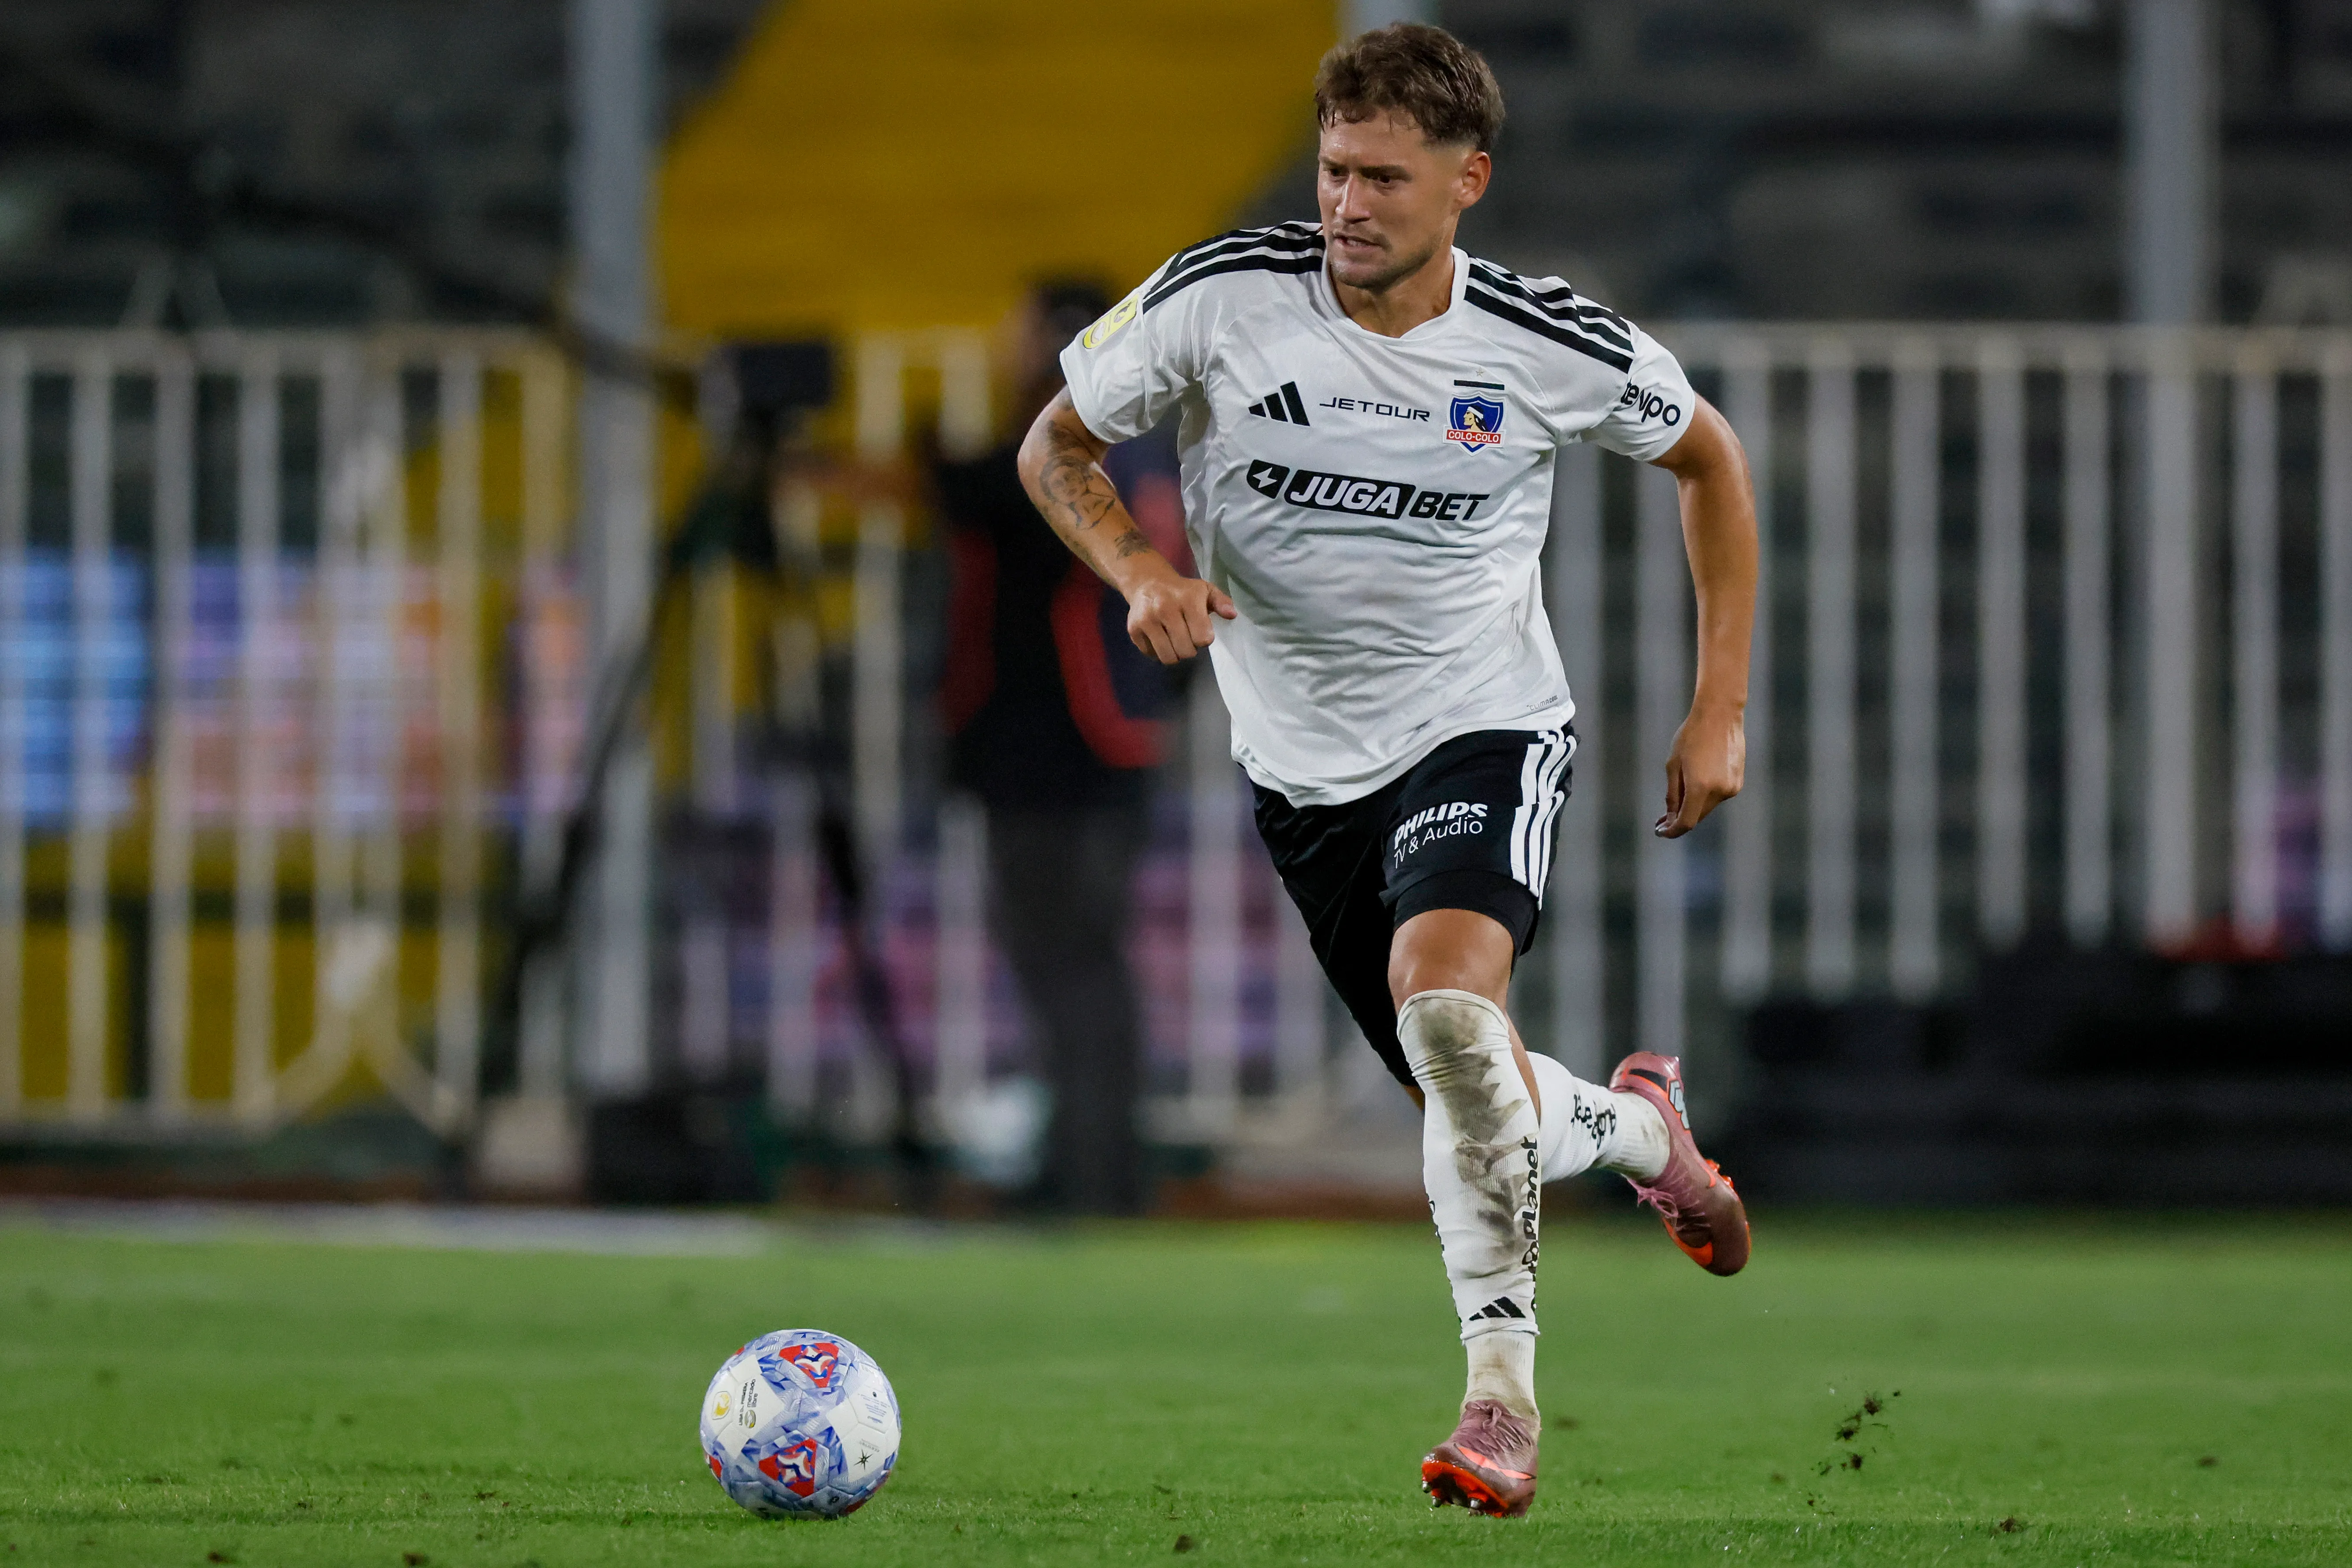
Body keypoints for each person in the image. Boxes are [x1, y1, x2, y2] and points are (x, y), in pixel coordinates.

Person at [1014, 23, 1758, 1516]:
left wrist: (1716, 712)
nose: (1347, 204)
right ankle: (1634, 1128)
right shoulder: (1222, 299)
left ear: (1466, 181)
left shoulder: (1547, 342)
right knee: (1467, 1084)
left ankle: (1501, 1406)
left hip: (1481, 722)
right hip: (1303, 776)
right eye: (1333, 169)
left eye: (1384, 178)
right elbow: (1054, 449)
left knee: (1446, 1008)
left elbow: (1711, 465)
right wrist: (1141, 572)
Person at [934, 282, 1184, 1216]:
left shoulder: (1075, 450)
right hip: (1098, 736)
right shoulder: (1145, 444)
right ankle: (1093, 1163)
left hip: (1058, 741)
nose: (1006, 347)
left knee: (1070, 959)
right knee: (1080, 962)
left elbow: (983, 494)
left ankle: (1090, 1174)